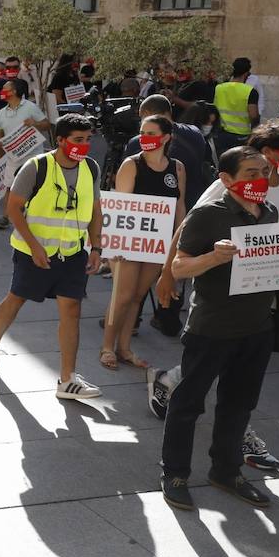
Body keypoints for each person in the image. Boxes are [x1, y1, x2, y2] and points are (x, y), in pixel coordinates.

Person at [160, 146, 278, 511]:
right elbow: (179, 268)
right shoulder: (208, 215)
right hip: (211, 329)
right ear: (226, 180)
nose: (260, 180)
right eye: (250, 174)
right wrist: (214, 256)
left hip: (257, 327)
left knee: (239, 405)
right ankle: (175, 474)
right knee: (188, 403)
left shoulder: (269, 212)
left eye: (263, 172)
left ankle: (227, 471)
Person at [0, 114, 105, 400]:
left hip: (72, 253)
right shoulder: (36, 166)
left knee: (72, 310)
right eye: (77, 140)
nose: (84, 145)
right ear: (60, 140)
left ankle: (67, 379)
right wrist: (35, 246)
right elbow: (14, 209)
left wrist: (96, 247)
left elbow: (96, 211)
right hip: (33, 252)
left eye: (88, 139)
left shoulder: (91, 168)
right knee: (16, 299)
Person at [100, 115, 185, 370]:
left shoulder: (177, 168)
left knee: (137, 296)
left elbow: (180, 206)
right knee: (122, 295)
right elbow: (121, 205)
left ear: (166, 137)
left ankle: (125, 348)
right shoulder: (131, 164)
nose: (144, 138)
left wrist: (178, 241)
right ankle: (107, 347)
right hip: (129, 241)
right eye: (142, 133)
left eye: (151, 133)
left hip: (158, 244)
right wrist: (113, 247)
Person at [121, 94, 214, 205]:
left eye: (143, 117)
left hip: (156, 209)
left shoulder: (138, 143)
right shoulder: (195, 133)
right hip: (194, 203)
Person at [0, 77, 50, 229]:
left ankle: (32, 217)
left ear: (14, 91)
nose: (2, 92)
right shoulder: (2, 112)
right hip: (13, 156)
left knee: (35, 187)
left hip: (32, 155)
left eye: (5, 89)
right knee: (9, 186)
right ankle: (6, 216)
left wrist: (35, 123)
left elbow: (47, 124)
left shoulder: (30, 107)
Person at [212, 57, 258, 155]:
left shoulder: (219, 88)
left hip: (220, 134)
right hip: (241, 136)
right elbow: (254, 116)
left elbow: (214, 110)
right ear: (246, 74)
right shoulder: (250, 91)